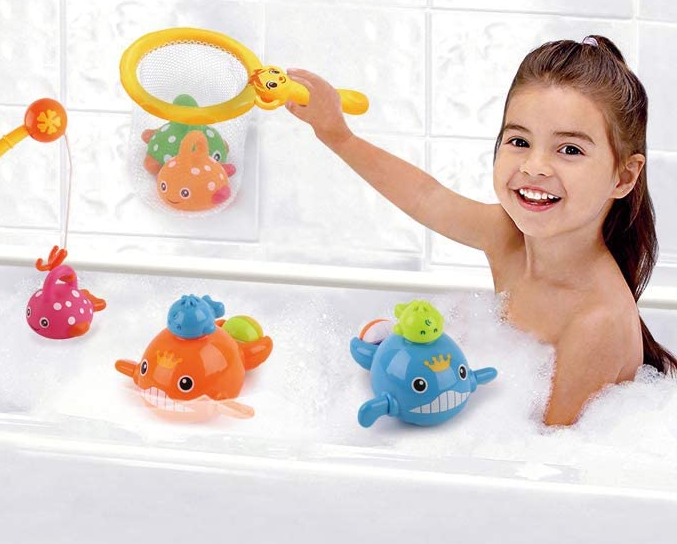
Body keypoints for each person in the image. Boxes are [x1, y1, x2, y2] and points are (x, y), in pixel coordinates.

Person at [287, 35, 676, 426]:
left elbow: (551, 449)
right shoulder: (509, 237)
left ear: (624, 177)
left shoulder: (597, 322)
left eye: (570, 149)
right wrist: (338, 135)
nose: (534, 166)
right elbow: (425, 196)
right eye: (519, 141)